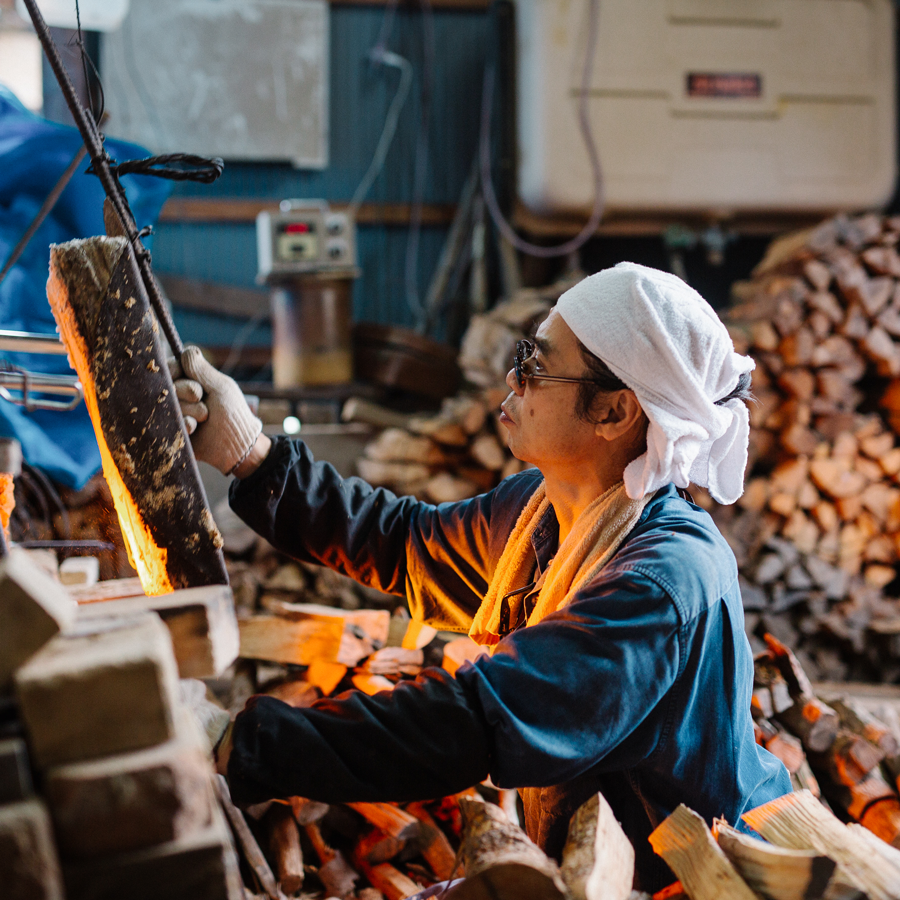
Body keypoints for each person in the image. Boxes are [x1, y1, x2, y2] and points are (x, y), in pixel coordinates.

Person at [174, 262, 791, 892]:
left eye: (535, 364)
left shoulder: (660, 582)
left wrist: (240, 744)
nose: (512, 379)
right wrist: (250, 453)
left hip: (690, 879)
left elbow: (475, 724)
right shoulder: (541, 512)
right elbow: (407, 544)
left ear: (613, 410)